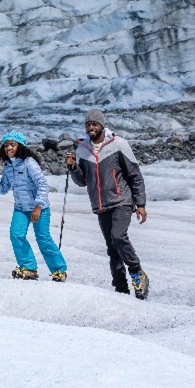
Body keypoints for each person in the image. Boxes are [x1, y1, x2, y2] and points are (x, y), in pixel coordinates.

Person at [66, 109, 149, 299]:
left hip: (122, 200)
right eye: (88, 124)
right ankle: (121, 290)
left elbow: (135, 175)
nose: (91, 127)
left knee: (118, 236)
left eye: (94, 124)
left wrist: (141, 204)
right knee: (112, 249)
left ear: (102, 125)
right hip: (101, 205)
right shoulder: (82, 149)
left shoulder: (118, 144)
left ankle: (138, 274)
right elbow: (82, 181)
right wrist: (73, 168)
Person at [0, 131, 68, 282]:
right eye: (6, 146)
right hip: (21, 208)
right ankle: (29, 268)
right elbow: (3, 188)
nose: (9, 148)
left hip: (39, 208)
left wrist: (38, 207)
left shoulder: (29, 163)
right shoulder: (8, 166)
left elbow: (42, 184)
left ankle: (59, 270)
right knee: (16, 235)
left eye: (12, 145)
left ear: (20, 146)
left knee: (43, 239)